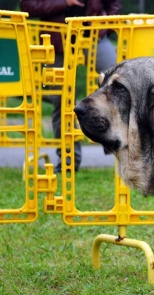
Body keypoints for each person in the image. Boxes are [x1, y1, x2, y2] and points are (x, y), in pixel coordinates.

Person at [20, 0, 121, 172]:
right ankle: (68, 160)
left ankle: (115, 147)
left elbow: (115, 4)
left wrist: (106, 25)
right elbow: (27, 5)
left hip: (93, 35)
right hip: (57, 39)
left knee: (118, 84)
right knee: (61, 100)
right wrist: (63, 3)